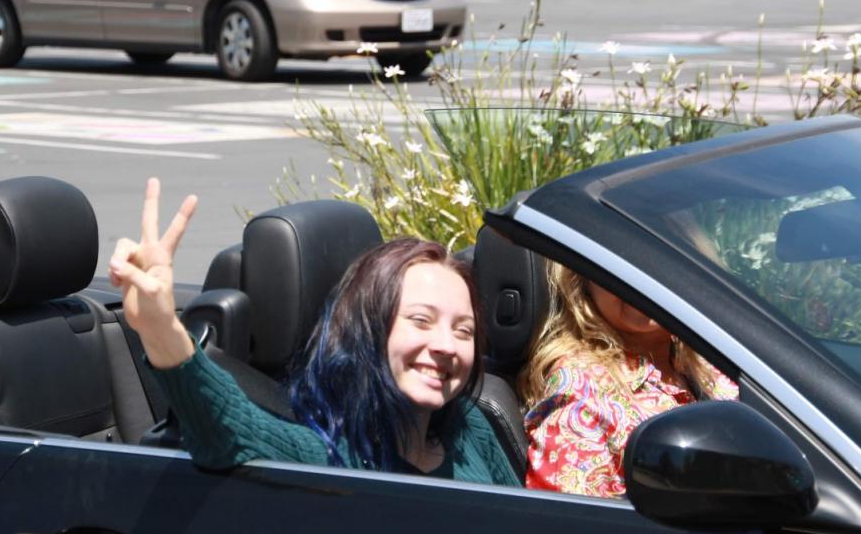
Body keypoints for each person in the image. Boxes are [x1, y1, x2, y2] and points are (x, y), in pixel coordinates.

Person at [108, 178, 518, 485]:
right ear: (369, 330)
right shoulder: (323, 455)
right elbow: (227, 427)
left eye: (463, 331)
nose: (446, 345)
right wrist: (159, 324)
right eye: (421, 321)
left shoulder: (470, 429)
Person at [521, 261, 737, 497]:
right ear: (583, 279)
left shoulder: (710, 359)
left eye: (656, 262)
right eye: (619, 264)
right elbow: (574, 524)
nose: (640, 279)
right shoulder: (581, 391)